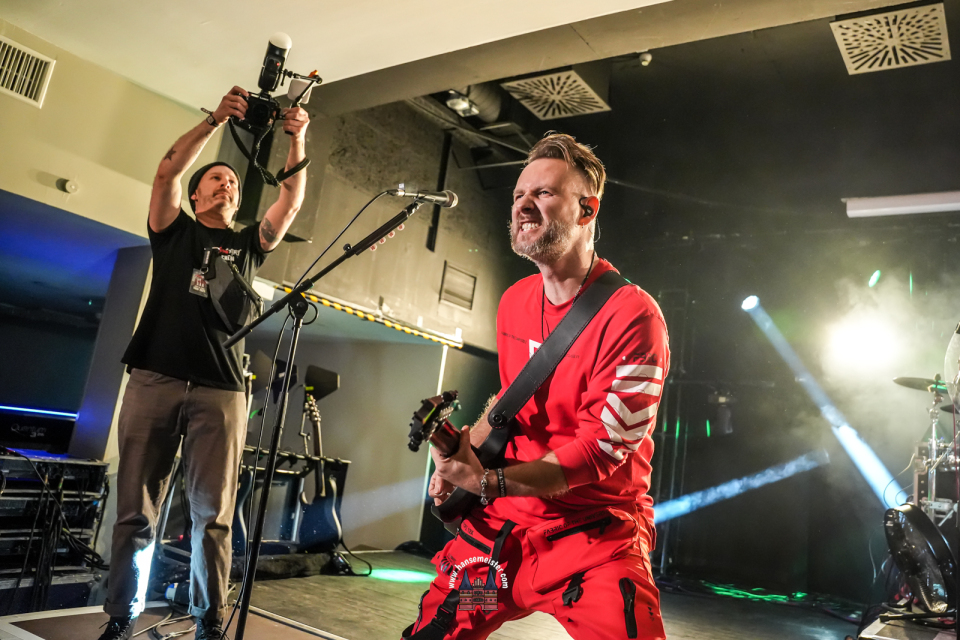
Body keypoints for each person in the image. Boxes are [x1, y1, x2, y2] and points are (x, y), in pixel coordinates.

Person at [403, 133, 669, 640]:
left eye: (544, 193)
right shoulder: (514, 301)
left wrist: (487, 482)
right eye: (518, 194)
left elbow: (600, 452)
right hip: (499, 546)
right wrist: (467, 455)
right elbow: (510, 402)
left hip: (592, 542)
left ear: (587, 210)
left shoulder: (634, 316)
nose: (523, 205)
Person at [96, 86, 309, 640]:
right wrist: (214, 121)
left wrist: (297, 139)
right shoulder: (173, 231)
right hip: (155, 378)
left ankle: (209, 621)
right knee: (135, 510)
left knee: (213, 516)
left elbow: (289, 202)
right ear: (196, 195)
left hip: (222, 390)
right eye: (215, 178)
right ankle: (121, 616)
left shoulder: (248, 244)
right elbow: (165, 172)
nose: (227, 183)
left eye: (232, 182)